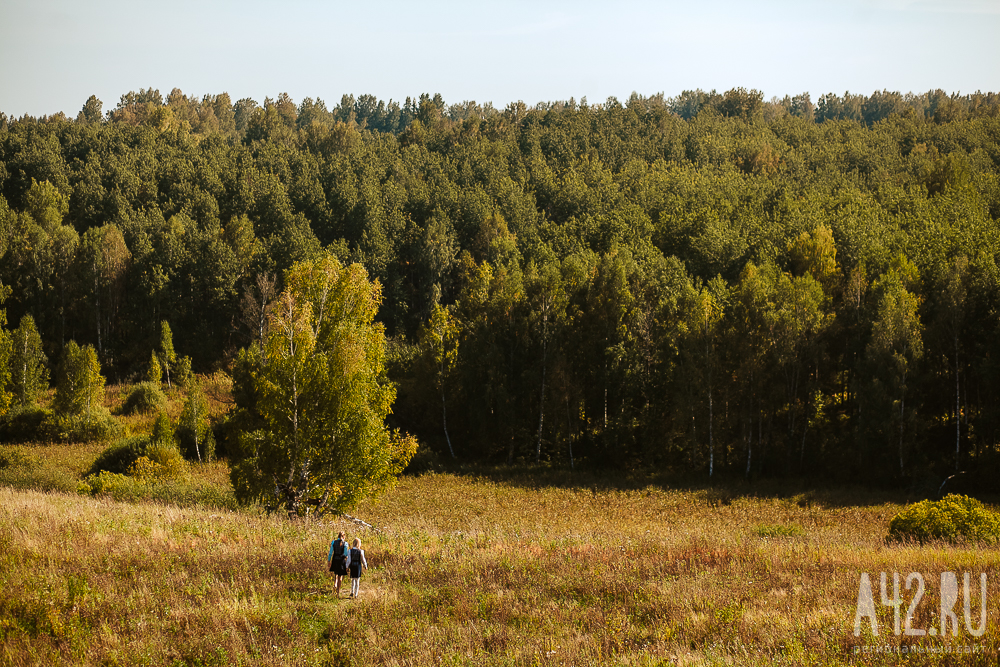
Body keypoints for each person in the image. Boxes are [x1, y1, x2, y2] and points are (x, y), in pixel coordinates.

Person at [328, 531, 350, 597]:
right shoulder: (345, 543)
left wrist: (329, 561)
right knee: (340, 576)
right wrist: (347, 557)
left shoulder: (333, 542)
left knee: (336, 573)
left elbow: (330, 552)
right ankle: (338, 591)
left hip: (335, 559)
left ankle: (335, 584)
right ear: (344, 537)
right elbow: (346, 553)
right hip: (341, 560)